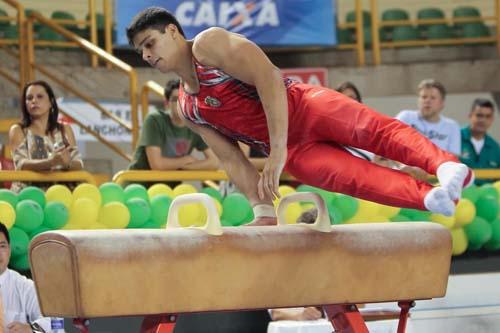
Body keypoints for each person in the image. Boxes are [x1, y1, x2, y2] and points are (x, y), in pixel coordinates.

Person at [126, 7, 473, 223]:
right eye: (140, 49)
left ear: (173, 31)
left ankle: (444, 165)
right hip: (296, 152)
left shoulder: (207, 45)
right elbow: (231, 158)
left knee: (373, 131)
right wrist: (261, 209)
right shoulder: (187, 108)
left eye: (150, 42)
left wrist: (276, 152)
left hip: (304, 107)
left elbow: (269, 79)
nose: (146, 54)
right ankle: (429, 198)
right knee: (356, 179)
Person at [128, 79, 218, 175]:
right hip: (138, 186)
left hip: (170, 188)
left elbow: (214, 162)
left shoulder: (194, 125)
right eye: (176, 99)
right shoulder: (154, 120)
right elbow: (157, 165)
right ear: (167, 103)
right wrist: (185, 160)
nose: (181, 103)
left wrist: (184, 166)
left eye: (185, 98)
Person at [8, 80, 83, 193]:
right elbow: (21, 164)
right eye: (29, 98)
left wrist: (67, 163)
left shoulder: (65, 129)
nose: (34, 101)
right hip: (29, 194)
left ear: (51, 102)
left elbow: (78, 163)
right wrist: (51, 162)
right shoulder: (18, 130)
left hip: (62, 193)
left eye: (40, 96)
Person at [0, 222, 52, 333]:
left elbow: (57, 323)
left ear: (9, 250)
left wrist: (31, 329)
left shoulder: (26, 287)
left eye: (2, 246)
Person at [460, 98, 499, 185]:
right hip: (459, 196)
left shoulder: (495, 148)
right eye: (479, 115)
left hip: (487, 197)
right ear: (470, 116)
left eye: (487, 116)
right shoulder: (455, 138)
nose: (483, 120)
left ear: (492, 119)